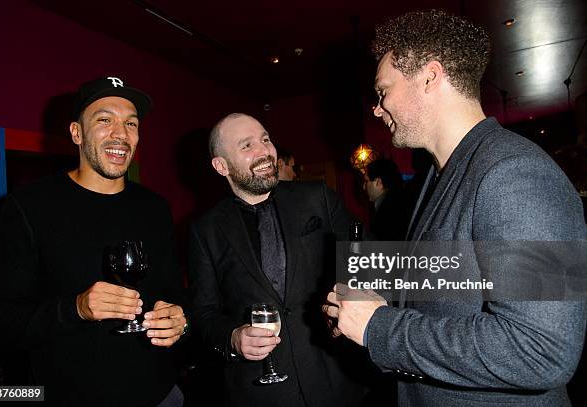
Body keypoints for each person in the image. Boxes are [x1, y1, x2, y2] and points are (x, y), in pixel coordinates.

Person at [324, 10, 586, 407]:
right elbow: (456, 286)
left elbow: (542, 351)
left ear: (430, 76)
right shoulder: (438, 174)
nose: (377, 109)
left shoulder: (514, 172)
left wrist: (380, 327)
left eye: (382, 91)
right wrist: (372, 300)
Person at [0, 77, 187, 406]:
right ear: (76, 133)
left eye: (130, 123)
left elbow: (175, 292)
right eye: (105, 120)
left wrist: (179, 319)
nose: (121, 134)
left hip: (160, 394)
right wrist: (75, 309)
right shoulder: (28, 206)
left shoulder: (155, 207)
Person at [188, 113, 368, 406]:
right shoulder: (205, 229)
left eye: (266, 139)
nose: (265, 151)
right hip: (259, 392)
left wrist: (350, 300)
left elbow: (366, 256)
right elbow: (203, 312)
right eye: (247, 145)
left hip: (335, 380)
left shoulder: (318, 198)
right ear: (221, 166)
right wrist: (233, 337)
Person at [362, 158, 410, 240]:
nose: (363, 187)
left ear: (378, 182)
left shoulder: (389, 212)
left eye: (366, 181)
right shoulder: (403, 202)